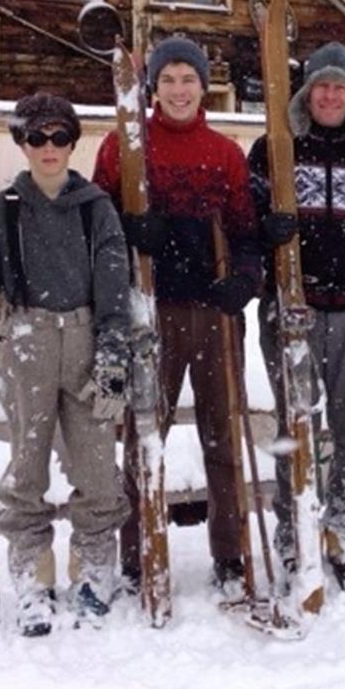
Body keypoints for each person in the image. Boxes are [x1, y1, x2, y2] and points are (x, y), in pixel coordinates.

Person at [92, 36, 261, 599]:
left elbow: (243, 231)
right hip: (150, 311)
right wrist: (127, 230)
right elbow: (98, 223)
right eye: (169, 80)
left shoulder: (226, 153)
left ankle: (231, 552)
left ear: (203, 85)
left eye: (189, 79)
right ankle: (140, 549)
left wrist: (245, 279)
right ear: (153, 86)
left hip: (213, 310)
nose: (179, 90)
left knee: (222, 434)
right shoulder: (124, 148)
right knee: (144, 435)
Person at [0, 93, 132, 635]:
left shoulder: (97, 209)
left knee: (97, 471)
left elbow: (115, 291)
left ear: (72, 143)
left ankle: (92, 570)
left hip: (87, 338)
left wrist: (113, 357)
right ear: (21, 142)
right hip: (28, 341)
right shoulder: (0, 212)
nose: (48, 148)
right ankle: (32, 577)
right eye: (36, 137)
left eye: (59, 137)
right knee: (27, 468)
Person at [248, 42, 345, 591]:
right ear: (306, 92)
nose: (331, 95)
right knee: (298, 429)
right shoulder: (275, 149)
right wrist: (265, 237)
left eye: (341, 87)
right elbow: (246, 224)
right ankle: (296, 539)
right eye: (322, 86)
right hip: (294, 307)